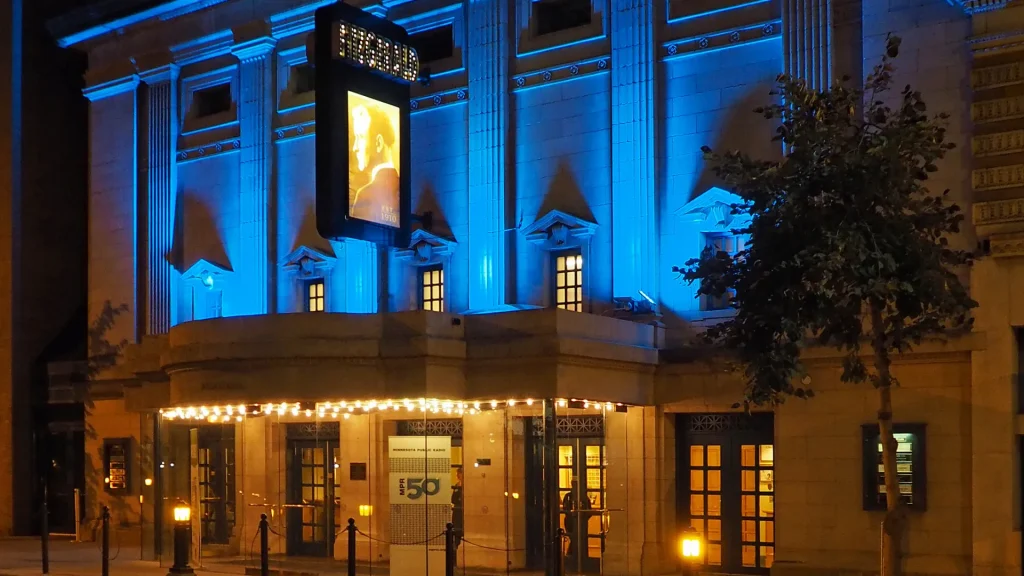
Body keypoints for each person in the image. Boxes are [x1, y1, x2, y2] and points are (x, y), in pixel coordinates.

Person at [348, 100, 399, 227]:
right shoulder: (401, 186)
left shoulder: (364, 194)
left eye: (360, 138)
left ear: (378, 143)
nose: (355, 147)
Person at [562, 479, 590, 563]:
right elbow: (565, 509)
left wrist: (583, 519)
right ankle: (573, 556)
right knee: (574, 538)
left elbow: (588, 510)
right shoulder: (568, 496)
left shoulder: (583, 497)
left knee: (576, 539)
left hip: (575, 521)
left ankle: (571, 556)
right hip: (570, 521)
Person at [451, 467, 464, 550]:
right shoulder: (456, 485)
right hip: (457, 511)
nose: (457, 476)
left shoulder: (466, 486)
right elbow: (453, 499)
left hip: (462, 510)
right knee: (456, 529)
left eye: (458, 474)